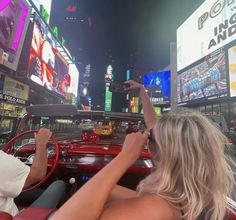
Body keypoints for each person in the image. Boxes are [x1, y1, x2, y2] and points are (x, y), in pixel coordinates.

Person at [51, 80, 235, 220]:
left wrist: (125, 157)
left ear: (158, 149)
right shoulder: (192, 195)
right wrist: (141, 91)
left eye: (150, 137)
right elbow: (154, 124)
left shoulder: (157, 207)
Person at [0, 128, 65, 217]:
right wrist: (41, 143)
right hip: (15, 217)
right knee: (59, 185)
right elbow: (38, 174)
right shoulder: (2, 161)